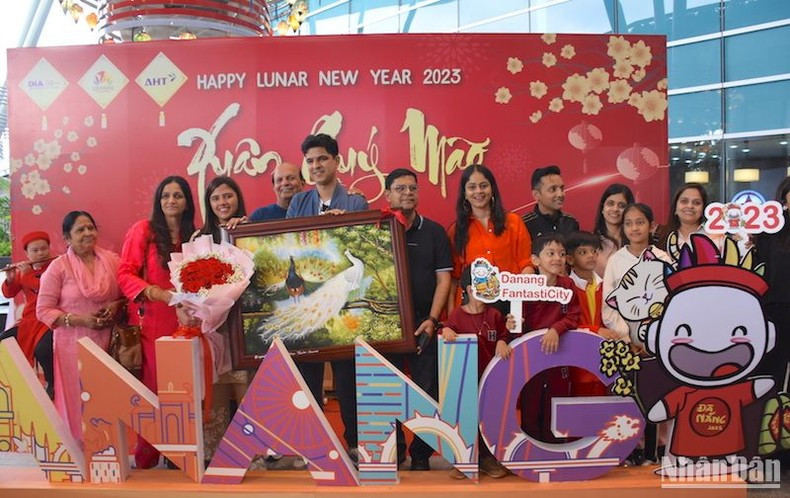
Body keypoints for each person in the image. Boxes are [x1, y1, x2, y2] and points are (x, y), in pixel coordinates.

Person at [286, 133, 368, 461]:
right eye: (311, 161)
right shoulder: (298, 203)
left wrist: (343, 226)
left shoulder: (355, 202)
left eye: (322, 159)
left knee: (348, 379)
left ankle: (354, 443)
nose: (316, 165)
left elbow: (360, 247)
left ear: (336, 161)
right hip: (309, 302)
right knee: (308, 378)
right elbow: (291, 244)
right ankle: (311, 445)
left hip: (345, 303)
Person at [117, 176, 197, 468]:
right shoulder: (144, 230)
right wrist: (161, 294)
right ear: (158, 201)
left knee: (185, 393)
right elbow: (125, 275)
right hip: (154, 323)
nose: (171, 201)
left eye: (178, 195)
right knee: (154, 392)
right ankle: (148, 458)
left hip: (191, 323)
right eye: (166, 196)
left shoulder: (195, 236)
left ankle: (180, 456)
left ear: (187, 201)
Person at [383, 168, 452, 470]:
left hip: (425, 324)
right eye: (400, 188)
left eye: (413, 188)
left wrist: (433, 319)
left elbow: (444, 279)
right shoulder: (378, 228)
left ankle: (422, 455)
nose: (408, 193)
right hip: (386, 327)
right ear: (388, 195)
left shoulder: (435, 232)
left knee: (427, 389)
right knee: (389, 391)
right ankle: (394, 452)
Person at [37, 211, 123, 442]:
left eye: (90, 228)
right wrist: (80, 319)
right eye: (80, 230)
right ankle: (82, 449)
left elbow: (128, 295)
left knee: (108, 399)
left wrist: (115, 306)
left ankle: (109, 451)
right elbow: (43, 310)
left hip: (110, 344)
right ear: (67, 238)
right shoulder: (58, 268)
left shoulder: (113, 261)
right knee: (80, 401)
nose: (87, 233)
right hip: (72, 348)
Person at [442, 264, 512, 479]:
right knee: (466, 418)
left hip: (490, 378)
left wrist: (502, 339)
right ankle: (465, 459)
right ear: (468, 290)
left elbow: (504, 335)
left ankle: (487, 458)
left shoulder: (495, 315)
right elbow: (446, 329)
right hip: (465, 380)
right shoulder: (457, 315)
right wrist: (445, 329)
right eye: (479, 287)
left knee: (489, 418)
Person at [201, 176, 252, 461]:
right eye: (216, 198)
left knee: (247, 391)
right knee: (217, 393)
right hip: (213, 329)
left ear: (237, 198)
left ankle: (252, 454)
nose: (223, 202)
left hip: (243, 330)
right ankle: (214, 455)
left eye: (228, 196)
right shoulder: (199, 239)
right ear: (209, 204)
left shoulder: (249, 229)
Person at [517, 234, 581, 442]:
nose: (557, 258)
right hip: (531, 356)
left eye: (562, 254)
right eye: (550, 253)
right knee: (531, 400)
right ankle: (530, 447)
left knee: (557, 399)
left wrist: (556, 329)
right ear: (535, 260)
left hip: (559, 354)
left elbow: (574, 316)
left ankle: (554, 448)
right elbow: (520, 321)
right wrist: (514, 324)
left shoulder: (568, 285)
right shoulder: (526, 286)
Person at [447, 164, 532, 314]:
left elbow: (526, 264)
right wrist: (451, 318)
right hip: (474, 309)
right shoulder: (456, 231)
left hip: (512, 306)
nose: (478, 191)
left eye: (483, 186)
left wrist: (520, 293)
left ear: (492, 189)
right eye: (472, 187)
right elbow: (454, 279)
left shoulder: (513, 222)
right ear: (465, 194)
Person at [753, 176, 790, 468]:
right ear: (784, 197)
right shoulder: (769, 230)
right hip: (775, 313)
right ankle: (771, 447)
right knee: (773, 380)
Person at [602, 203, 673, 348]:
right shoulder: (615, 260)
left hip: (658, 338)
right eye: (628, 223)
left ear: (651, 226)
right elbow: (608, 304)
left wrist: (654, 338)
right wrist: (624, 338)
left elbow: (670, 298)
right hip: (623, 342)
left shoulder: (662, 258)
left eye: (640, 222)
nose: (634, 228)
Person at [565, 231, 625, 396]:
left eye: (594, 251)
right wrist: (595, 330)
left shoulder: (605, 286)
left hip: (604, 355)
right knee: (580, 401)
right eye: (583, 252)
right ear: (570, 259)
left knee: (602, 400)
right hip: (578, 355)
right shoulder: (566, 288)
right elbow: (568, 323)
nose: (590, 256)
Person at [0, 231, 55, 398]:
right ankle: (15, 382)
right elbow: (9, 293)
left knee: (43, 350)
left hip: (48, 319)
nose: (40, 253)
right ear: (27, 253)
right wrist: (10, 279)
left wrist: (25, 276)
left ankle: (52, 384)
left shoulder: (55, 267)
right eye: (35, 250)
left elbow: (43, 288)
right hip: (29, 321)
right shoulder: (25, 270)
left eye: (43, 249)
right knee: (4, 341)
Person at [655, 183, 721, 253]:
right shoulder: (661, 235)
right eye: (684, 201)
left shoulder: (715, 236)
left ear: (703, 209)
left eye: (697, 203)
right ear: (675, 208)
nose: (690, 206)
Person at [522, 165, 579, 240]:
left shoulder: (571, 222)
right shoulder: (524, 225)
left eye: (562, 188)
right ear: (536, 195)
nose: (560, 194)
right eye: (553, 189)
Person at [592, 184, 635, 277]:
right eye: (610, 203)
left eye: (621, 206)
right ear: (602, 208)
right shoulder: (590, 242)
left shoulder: (636, 242)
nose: (615, 209)